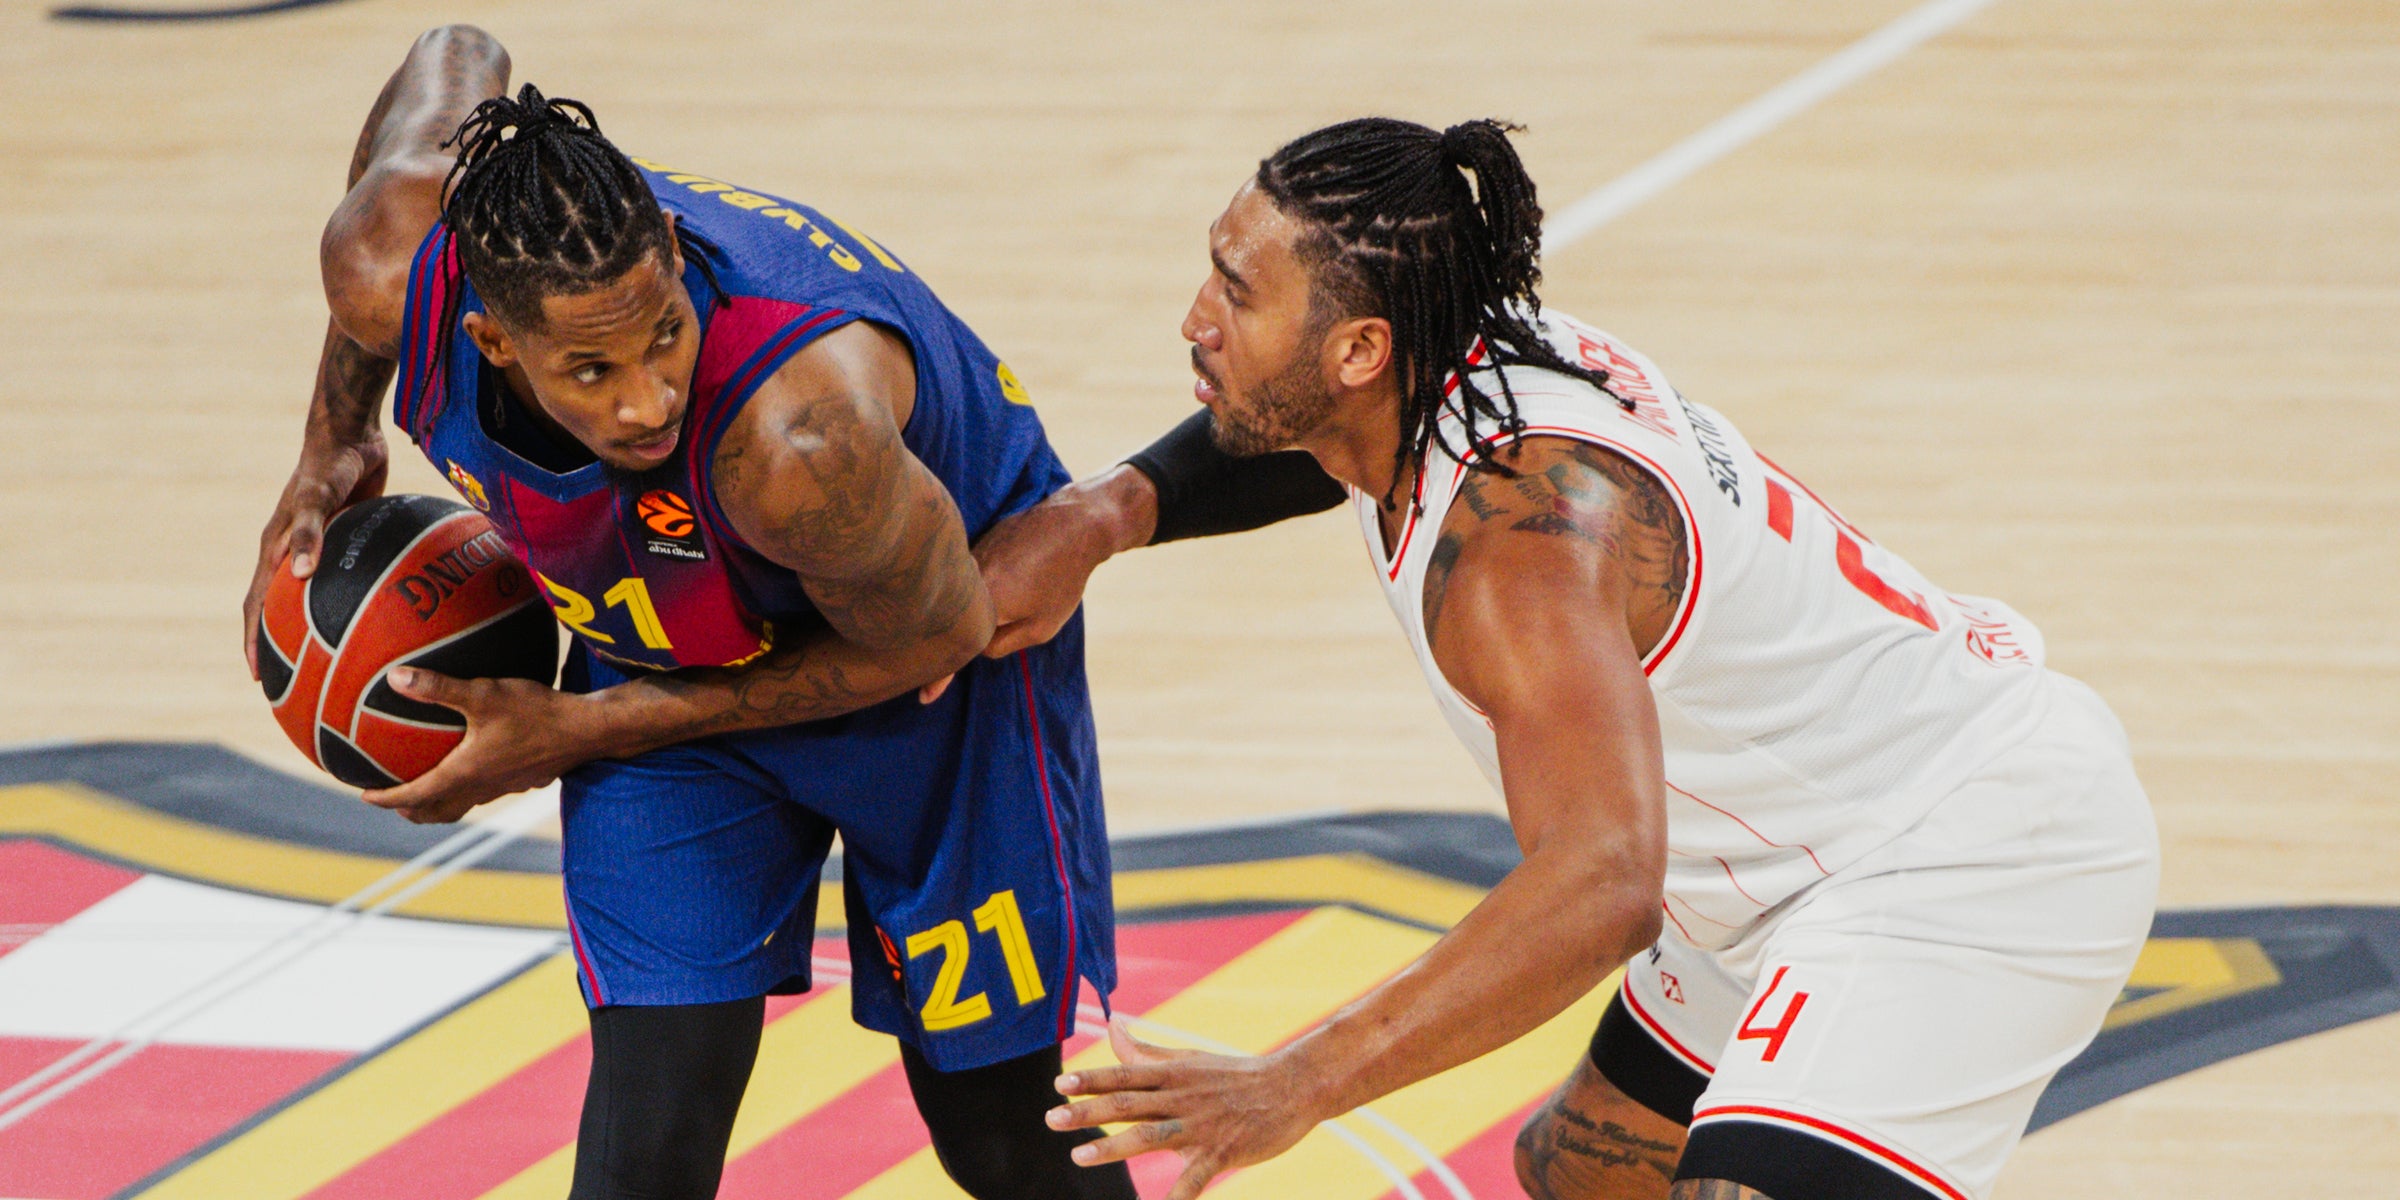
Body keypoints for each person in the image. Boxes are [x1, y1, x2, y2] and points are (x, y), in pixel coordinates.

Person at [982, 117, 2160, 1200]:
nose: (1197, 317)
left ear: (1360, 349)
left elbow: (1603, 886)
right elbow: (1301, 438)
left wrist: (1293, 1083)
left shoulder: (1519, 556)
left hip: (1961, 853)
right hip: (1789, 861)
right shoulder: (1442, 357)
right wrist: (1105, 516)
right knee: (1583, 1170)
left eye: (1237, 294)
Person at [238, 26, 1135, 1200]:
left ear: (668, 247)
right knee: (646, 1144)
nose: (647, 401)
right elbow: (456, 49)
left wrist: (587, 728)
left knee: (1001, 1137)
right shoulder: (389, 264)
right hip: (665, 639)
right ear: (490, 337)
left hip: (928, 661)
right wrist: (334, 437)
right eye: (591, 372)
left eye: (664, 333)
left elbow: (941, 635)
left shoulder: (800, 437)